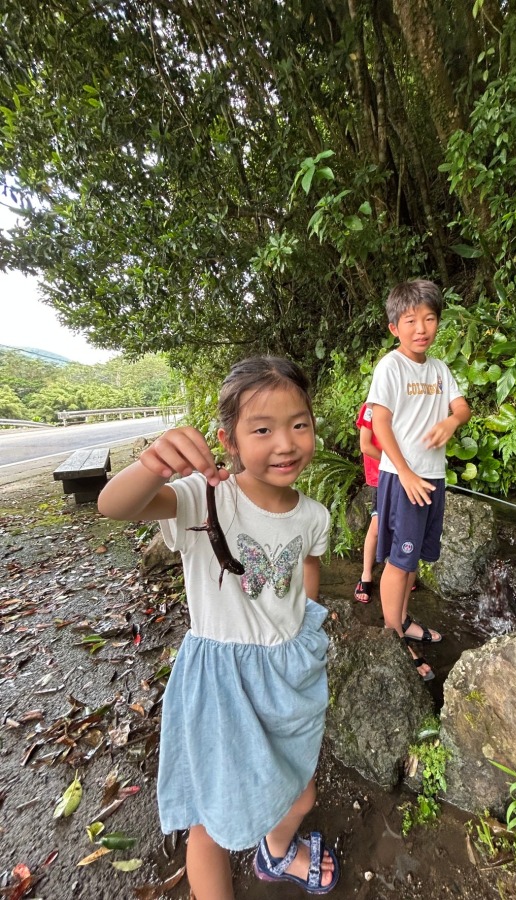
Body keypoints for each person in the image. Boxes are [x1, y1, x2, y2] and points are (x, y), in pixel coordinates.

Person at [98, 357, 339, 900]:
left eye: (300, 424)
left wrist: (305, 631)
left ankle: (277, 852)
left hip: (288, 674)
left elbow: (307, 567)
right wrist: (153, 466)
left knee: (299, 792)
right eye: (262, 429)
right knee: (210, 821)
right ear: (228, 440)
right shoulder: (200, 499)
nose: (286, 443)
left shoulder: (314, 515)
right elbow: (113, 505)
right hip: (220, 685)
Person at [366, 280, 472, 681]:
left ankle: (403, 618)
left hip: (433, 478)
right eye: (410, 320)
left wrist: (450, 420)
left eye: (429, 318)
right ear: (395, 327)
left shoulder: (440, 369)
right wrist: (406, 472)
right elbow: (379, 422)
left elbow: (462, 407)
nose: (421, 328)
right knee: (399, 561)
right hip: (403, 478)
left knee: (414, 561)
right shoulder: (391, 366)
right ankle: (394, 638)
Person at [354, 402, 381, 603]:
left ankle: (399, 572)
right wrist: (396, 462)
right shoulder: (370, 406)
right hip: (381, 475)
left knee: (400, 523)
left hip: (401, 473)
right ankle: (366, 575)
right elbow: (366, 445)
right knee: (377, 525)